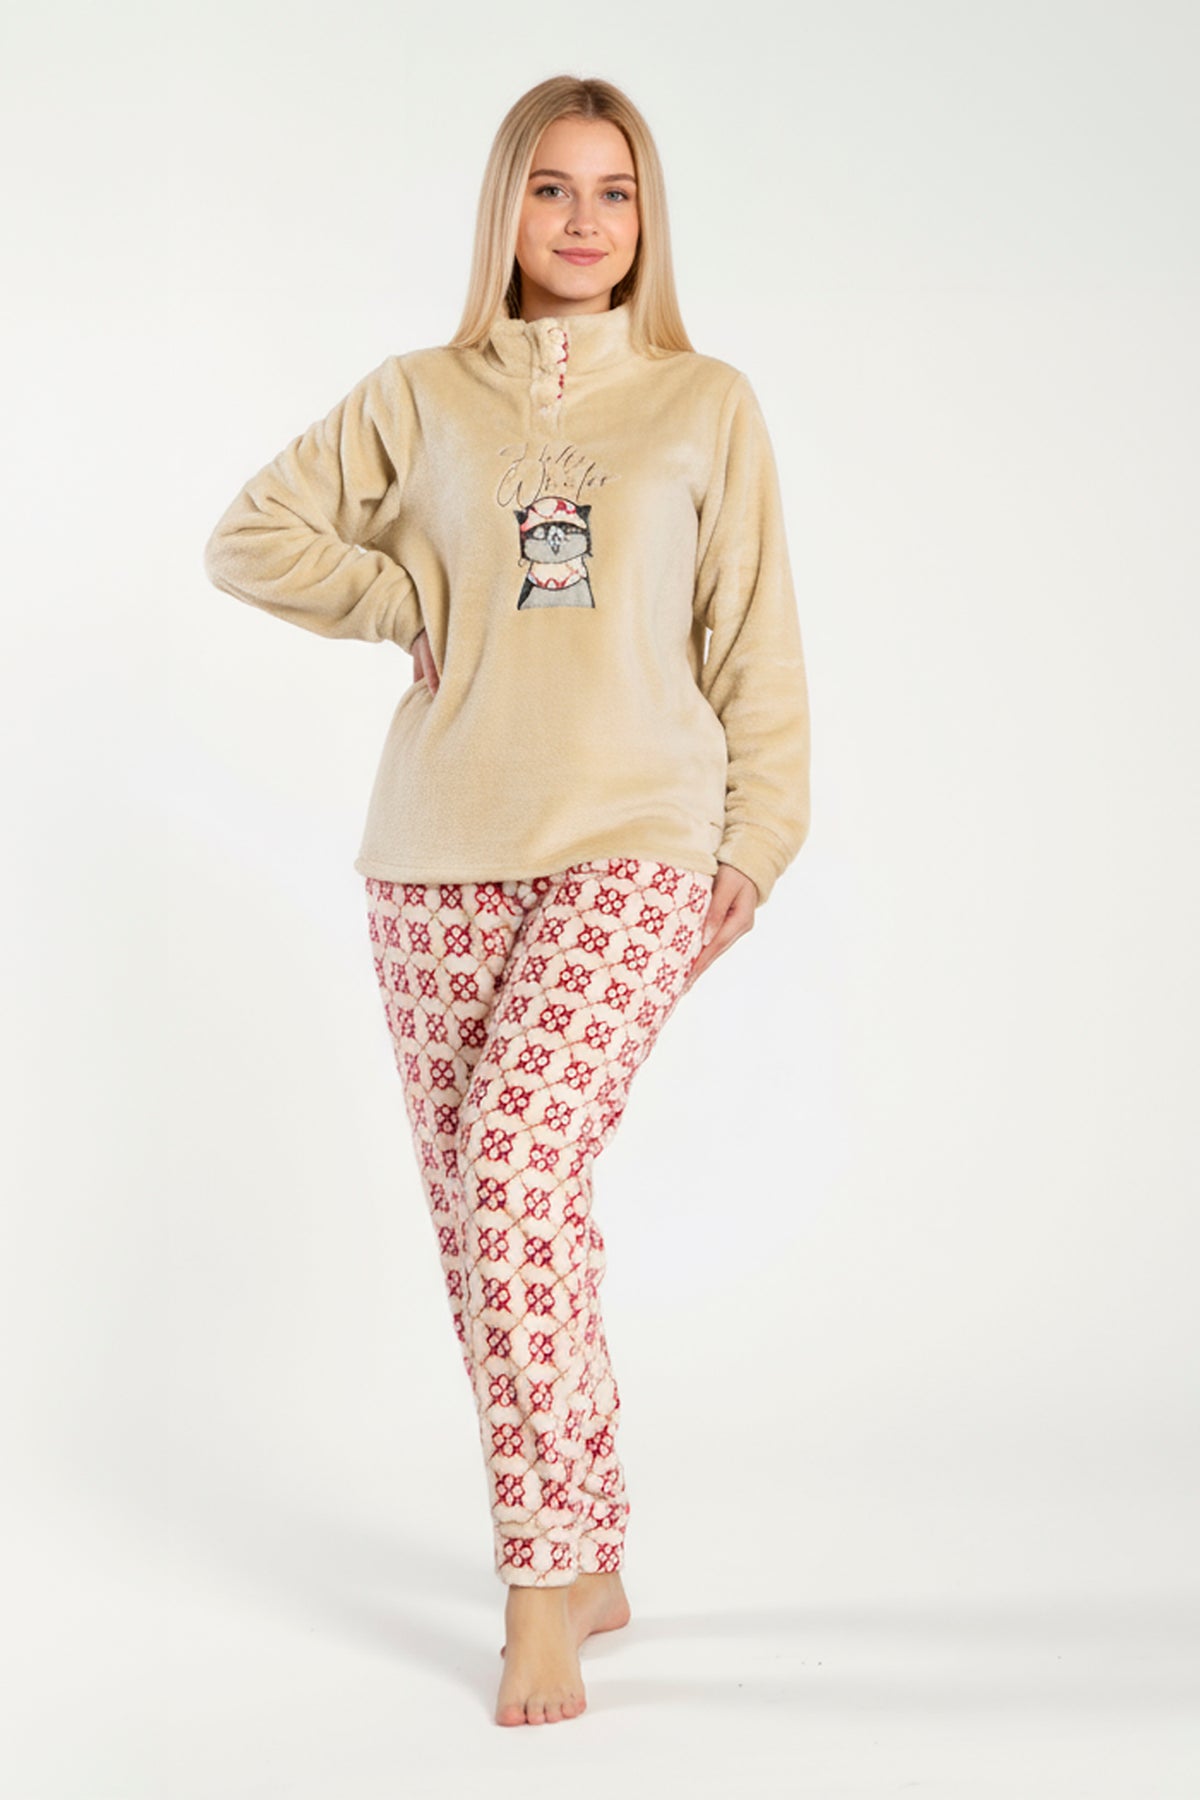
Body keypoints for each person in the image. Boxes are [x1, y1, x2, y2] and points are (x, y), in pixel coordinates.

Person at [202, 73, 812, 1729]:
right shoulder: (418, 396)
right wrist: (403, 590)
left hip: (638, 833)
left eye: (615, 192)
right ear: (507, 209)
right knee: (488, 1220)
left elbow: (754, 637)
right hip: (435, 850)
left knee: (516, 1160)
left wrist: (758, 840)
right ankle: (591, 1546)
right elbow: (250, 537)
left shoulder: (705, 404)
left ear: (647, 216)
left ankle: (539, 1585)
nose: (584, 220)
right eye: (552, 188)